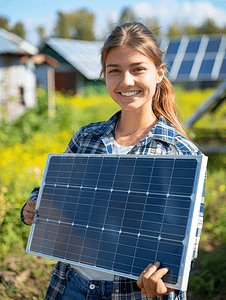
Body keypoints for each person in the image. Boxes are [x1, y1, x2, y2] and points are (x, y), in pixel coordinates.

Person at [21, 22, 205, 300]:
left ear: (159, 73)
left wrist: (164, 283)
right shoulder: (86, 138)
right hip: (71, 285)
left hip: (134, 294)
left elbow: (184, 248)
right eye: (114, 71)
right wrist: (34, 204)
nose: (126, 81)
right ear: (104, 76)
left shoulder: (182, 153)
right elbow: (55, 193)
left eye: (138, 69)